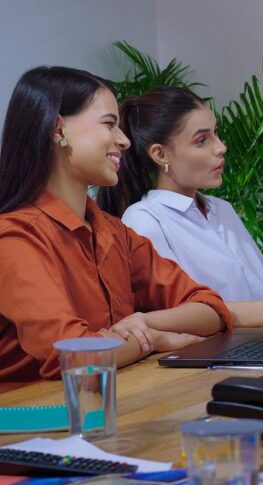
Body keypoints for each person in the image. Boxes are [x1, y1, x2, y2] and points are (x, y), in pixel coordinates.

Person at [0, 67, 232, 390]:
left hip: (107, 408)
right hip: (31, 426)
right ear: (58, 129)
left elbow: (212, 308)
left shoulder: (114, 232)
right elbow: (76, 355)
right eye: (109, 124)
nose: (124, 141)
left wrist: (142, 324)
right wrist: (152, 339)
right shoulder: (14, 239)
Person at [96, 86, 263, 327]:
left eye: (216, 134)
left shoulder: (221, 209)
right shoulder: (145, 219)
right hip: (216, 357)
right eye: (202, 140)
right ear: (161, 154)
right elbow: (188, 315)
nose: (221, 147)